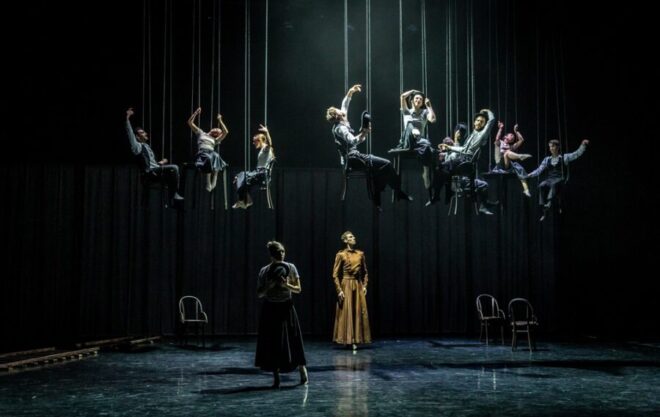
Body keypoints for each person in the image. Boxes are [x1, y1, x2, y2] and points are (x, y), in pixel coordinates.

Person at [326, 84, 412, 210]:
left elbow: (345, 105)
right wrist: (364, 133)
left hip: (354, 157)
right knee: (386, 164)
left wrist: (351, 92)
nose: (343, 111)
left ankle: (381, 199)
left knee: (379, 169)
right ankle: (397, 192)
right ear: (339, 117)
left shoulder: (342, 121)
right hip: (354, 159)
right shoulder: (341, 128)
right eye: (341, 112)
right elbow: (353, 141)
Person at [255, 241, 308, 388]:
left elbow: (298, 289)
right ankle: (276, 377)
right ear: (272, 255)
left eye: (283, 251)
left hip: (286, 307)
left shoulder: (291, 267)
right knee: (274, 343)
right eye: (278, 252)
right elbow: (259, 293)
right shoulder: (264, 271)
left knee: (294, 340)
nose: (282, 254)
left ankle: (302, 370)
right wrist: (269, 285)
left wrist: (286, 285)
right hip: (271, 309)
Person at [432, 109, 496, 214]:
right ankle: (439, 194)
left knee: (442, 168)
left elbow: (491, 121)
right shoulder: (472, 134)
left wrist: (487, 111)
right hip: (462, 159)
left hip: (465, 162)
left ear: (484, 125)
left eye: (482, 122)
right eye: (478, 120)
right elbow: (464, 149)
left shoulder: (482, 134)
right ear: (474, 122)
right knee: (440, 169)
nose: (479, 123)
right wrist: (449, 147)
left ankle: (440, 195)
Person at [125, 108, 183, 206]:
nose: (145, 133)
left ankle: (171, 199)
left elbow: (152, 163)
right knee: (174, 168)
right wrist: (127, 118)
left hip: (155, 170)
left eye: (144, 132)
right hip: (149, 173)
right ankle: (174, 195)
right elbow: (130, 133)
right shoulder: (137, 147)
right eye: (142, 133)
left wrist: (161, 162)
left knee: (173, 174)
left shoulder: (147, 146)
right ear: (137, 137)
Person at [526, 139, 589, 221]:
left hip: (560, 179)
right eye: (550, 147)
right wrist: (530, 174)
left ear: (558, 147)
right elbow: (539, 170)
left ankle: (549, 203)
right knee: (541, 185)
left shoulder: (564, 157)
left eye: (553, 146)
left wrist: (583, 145)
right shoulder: (547, 159)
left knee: (554, 184)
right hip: (550, 179)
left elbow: (576, 154)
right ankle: (543, 207)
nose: (551, 148)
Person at [390, 90, 437, 199]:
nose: (418, 100)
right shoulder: (407, 111)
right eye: (416, 98)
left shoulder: (424, 112)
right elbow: (402, 96)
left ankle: (426, 172)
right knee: (410, 125)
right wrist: (413, 91)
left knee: (427, 144)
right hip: (407, 140)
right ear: (412, 101)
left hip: (419, 141)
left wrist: (429, 106)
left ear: (422, 102)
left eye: (420, 99)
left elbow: (433, 120)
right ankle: (413, 131)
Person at [332, 231, 371, 351]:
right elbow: (335, 274)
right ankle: (348, 340)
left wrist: (365, 285)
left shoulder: (360, 254)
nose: (353, 238)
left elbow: (365, 272)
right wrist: (339, 290)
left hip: (357, 284)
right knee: (347, 311)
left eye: (353, 236)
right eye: (350, 237)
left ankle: (356, 340)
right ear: (345, 240)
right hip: (346, 284)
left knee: (358, 311)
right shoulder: (341, 254)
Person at [232, 125, 275, 209]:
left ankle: (242, 201)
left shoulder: (266, 149)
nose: (253, 143)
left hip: (261, 173)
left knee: (241, 177)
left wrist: (266, 132)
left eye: (254, 141)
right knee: (239, 177)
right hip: (258, 172)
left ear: (259, 141)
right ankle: (247, 200)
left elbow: (270, 143)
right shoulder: (262, 150)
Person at [187, 107, 229, 192]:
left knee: (217, 157)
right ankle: (208, 182)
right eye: (216, 128)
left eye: (218, 131)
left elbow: (226, 132)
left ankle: (214, 181)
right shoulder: (201, 133)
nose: (216, 129)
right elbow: (190, 123)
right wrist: (196, 113)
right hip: (202, 153)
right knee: (209, 158)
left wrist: (220, 120)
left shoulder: (215, 140)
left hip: (211, 153)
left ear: (217, 135)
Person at [493, 122, 532, 197]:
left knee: (519, 168)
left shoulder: (511, 147)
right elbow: (497, 138)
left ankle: (526, 190)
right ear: (505, 136)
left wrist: (516, 131)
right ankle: (520, 156)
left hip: (507, 165)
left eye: (513, 136)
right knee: (507, 153)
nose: (513, 136)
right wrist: (500, 128)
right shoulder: (500, 142)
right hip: (499, 164)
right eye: (511, 135)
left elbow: (521, 140)